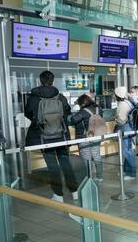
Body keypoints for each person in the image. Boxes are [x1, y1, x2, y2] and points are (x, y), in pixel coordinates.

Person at [24, 70, 78, 203]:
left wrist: (42, 123)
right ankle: (74, 192)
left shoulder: (34, 97)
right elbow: (67, 113)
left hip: (44, 136)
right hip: (60, 136)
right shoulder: (60, 97)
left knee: (52, 166)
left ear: (40, 81)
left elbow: (28, 113)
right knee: (66, 163)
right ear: (53, 81)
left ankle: (58, 195)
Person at [70, 95, 104, 183]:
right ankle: (100, 177)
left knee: (86, 158)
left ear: (82, 103)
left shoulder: (83, 112)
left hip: (84, 137)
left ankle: (89, 178)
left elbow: (73, 120)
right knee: (96, 156)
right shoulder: (98, 109)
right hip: (96, 136)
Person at [115, 87, 137, 181]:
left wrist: (115, 118)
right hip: (129, 128)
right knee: (128, 150)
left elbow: (121, 121)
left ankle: (131, 174)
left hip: (125, 128)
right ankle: (126, 170)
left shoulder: (122, 105)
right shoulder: (128, 102)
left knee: (127, 152)